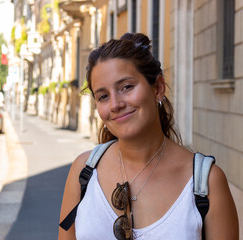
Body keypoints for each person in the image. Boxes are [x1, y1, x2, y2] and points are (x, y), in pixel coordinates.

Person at [58, 33, 239, 240]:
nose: (115, 104)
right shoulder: (84, 172)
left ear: (158, 88)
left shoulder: (206, 182)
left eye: (126, 87)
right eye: (103, 96)